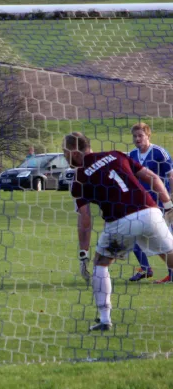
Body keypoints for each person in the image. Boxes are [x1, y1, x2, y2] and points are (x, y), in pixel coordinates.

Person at [63, 132, 173, 331]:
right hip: (149, 212)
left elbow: (85, 220)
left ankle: (105, 319)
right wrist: (169, 206)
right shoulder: (117, 154)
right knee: (171, 259)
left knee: (101, 264)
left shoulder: (79, 177)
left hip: (120, 221)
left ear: (74, 152)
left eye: (65, 153)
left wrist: (83, 254)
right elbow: (153, 178)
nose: (65, 157)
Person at [127, 122, 173, 283]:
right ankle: (145, 268)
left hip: (160, 203)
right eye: (135, 136)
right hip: (140, 203)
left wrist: (171, 199)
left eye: (140, 135)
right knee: (133, 234)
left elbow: (171, 176)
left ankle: (171, 274)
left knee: (166, 238)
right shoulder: (132, 155)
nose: (137, 139)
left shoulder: (160, 153)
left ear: (148, 136)